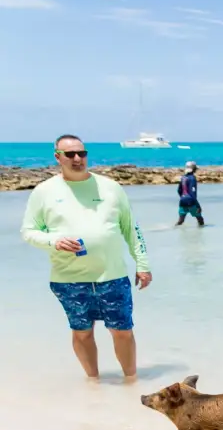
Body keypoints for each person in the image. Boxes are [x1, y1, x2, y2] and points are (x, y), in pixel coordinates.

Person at [20, 134, 152, 382]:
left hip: (112, 275)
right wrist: (54, 241)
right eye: (70, 154)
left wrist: (142, 265)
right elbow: (28, 232)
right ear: (58, 157)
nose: (77, 158)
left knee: (122, 331)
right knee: (82, 333)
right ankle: (93, 383)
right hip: (68, 278)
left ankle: (131, 381)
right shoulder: (44, 191)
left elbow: (131, 228)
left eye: (82, 153)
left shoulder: (111, 187)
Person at [176, 161, 205, 226]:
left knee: (180, 221)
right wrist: (198, 206)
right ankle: (200, 234)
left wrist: (183, 197)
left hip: (182, 201)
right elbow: (192, 193)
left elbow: (179, 190)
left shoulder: (183, 178)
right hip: (191, 201)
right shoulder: (192, 178)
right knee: (200, 219)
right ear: (194, 169)